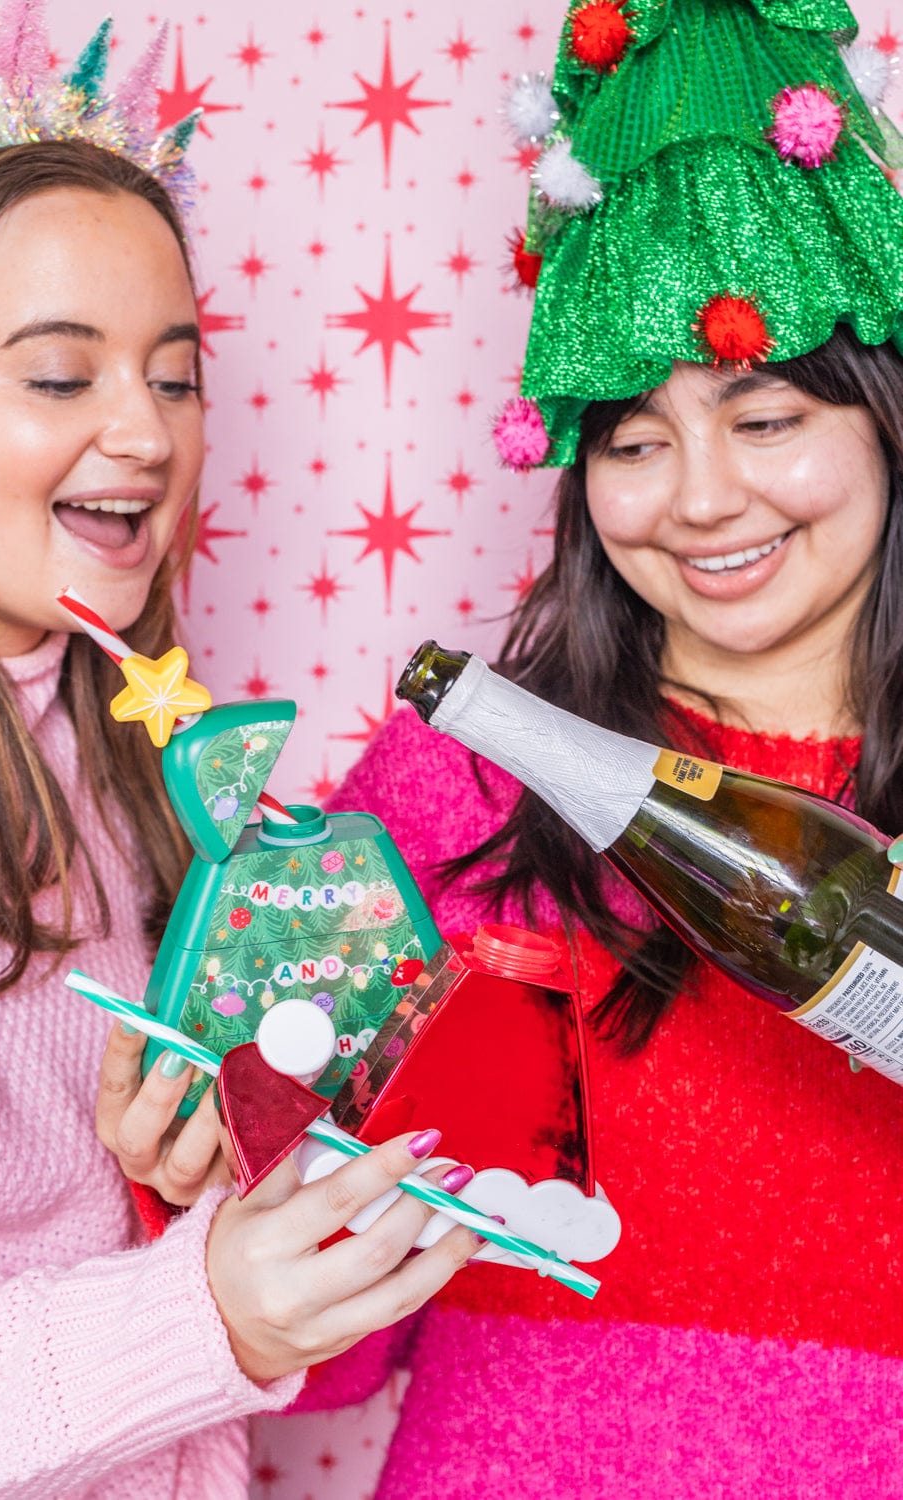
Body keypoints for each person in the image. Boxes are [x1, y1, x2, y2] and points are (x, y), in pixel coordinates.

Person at [0, 11, 479, 1497]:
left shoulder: (115, 742)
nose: (147, 433)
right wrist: (193, 1312)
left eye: (176, 375)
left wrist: (174, 1180)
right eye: (62, 377)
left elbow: (27, 1231)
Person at [293, 3, 903, 1496]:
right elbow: (324, 1354)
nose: (700, 499)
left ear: (887, 419)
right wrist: (218, 1131)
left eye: (765, 418)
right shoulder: (456, 787)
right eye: (632, 440)